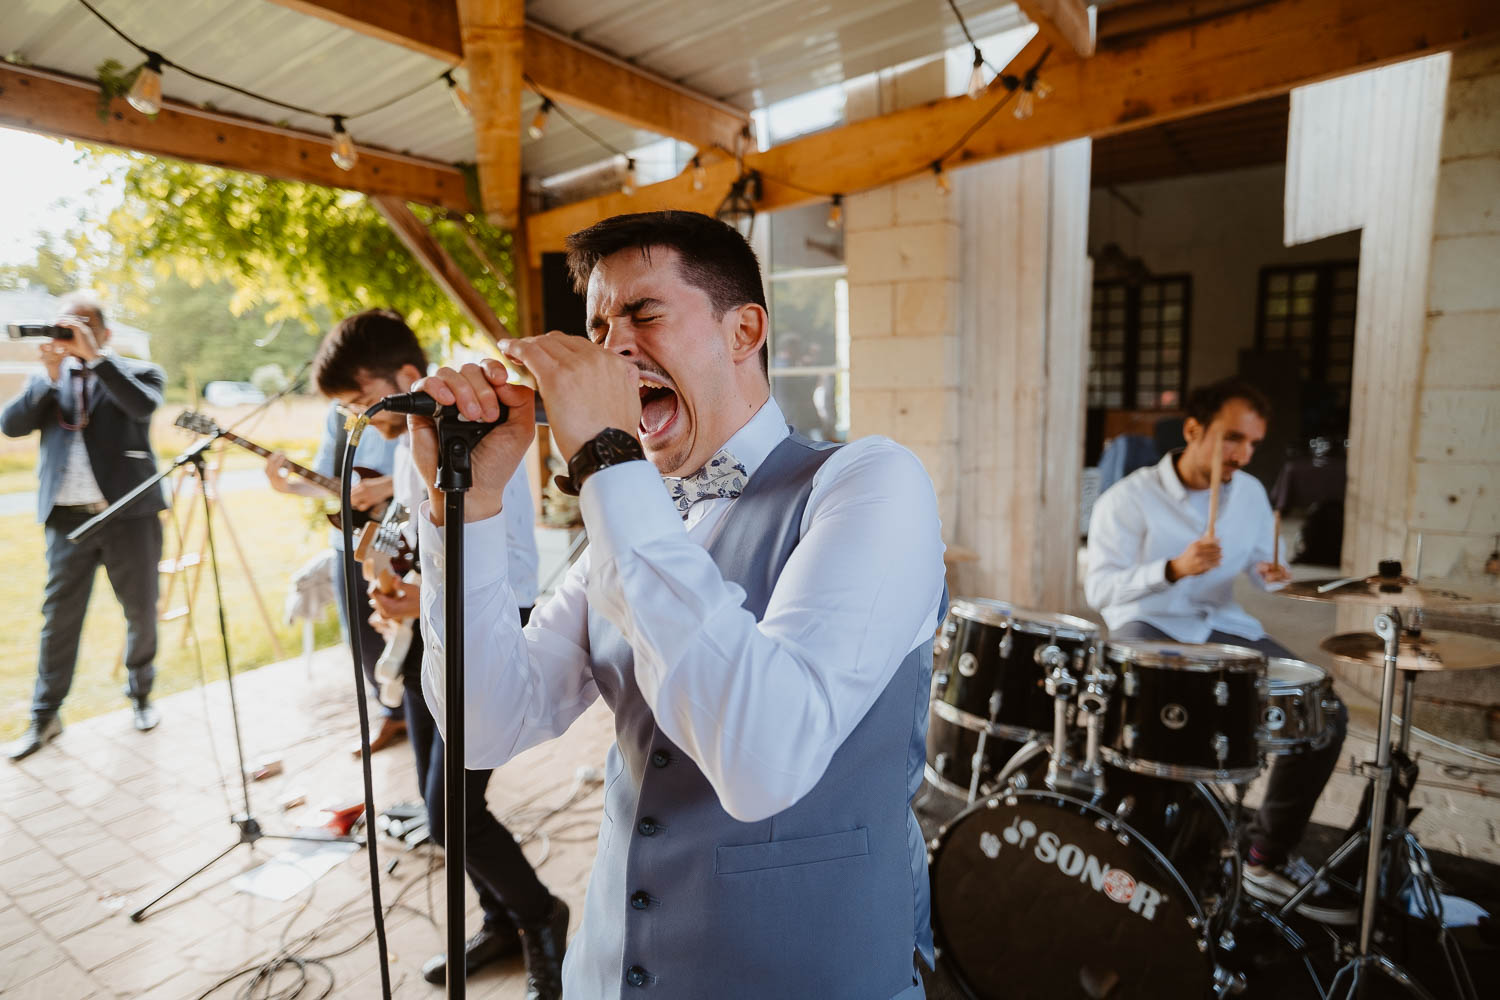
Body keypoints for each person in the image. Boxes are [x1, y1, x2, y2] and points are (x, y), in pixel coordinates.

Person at [411, 211, 947, 998]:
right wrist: (468, 509)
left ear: (744, 331)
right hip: (611, 973)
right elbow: (484, 725)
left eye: (643, 313)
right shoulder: (626, 525)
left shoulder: (869, 482)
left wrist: (607, 460)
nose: (612, 347)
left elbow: (766, 758)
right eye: (598, 326)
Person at [309, 310, 562, 992]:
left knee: (453, 811)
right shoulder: (399, 442)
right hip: (430, 630)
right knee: (438, 807)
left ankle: (544, 920)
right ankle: (500, 920)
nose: (360, 413)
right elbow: (410, 538)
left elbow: (494, 557)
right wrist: (394, 583)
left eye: (362, 398)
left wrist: (418, 591)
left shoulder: (468, 430)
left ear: (405, 378)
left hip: (489, 622)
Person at [1085, 377, 1355, 925]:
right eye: (1233, 438)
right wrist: (1171, 569)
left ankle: (1266, 854)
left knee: (1323, 713)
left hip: (1218, 622)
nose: (1245, 454)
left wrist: (1273, 574)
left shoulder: (1251, 493)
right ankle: (1144, 856)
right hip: (1148, 624)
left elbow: (1260, 560)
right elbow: (1100, 589)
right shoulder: (1128, 498)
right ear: (1193, 430)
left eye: (1253, 443)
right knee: (1166, 727)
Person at [2, 293, 166, 761]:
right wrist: (49, 377)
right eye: (62, 326)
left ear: (104, 332)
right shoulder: (48, 381)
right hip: (66, 521)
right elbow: (10, 426)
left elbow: (142, 407)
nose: (68, 333)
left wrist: (96, 358)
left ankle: (141, 696)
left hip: (128, 516)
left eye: (80, 325)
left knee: (140, 610)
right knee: (58, 620)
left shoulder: (137, 371)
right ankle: (45, 716)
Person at [264, 401, 407, 755]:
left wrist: (389, 485)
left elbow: (433, 467)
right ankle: (393, 709)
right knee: (360, 635)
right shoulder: (338, 414)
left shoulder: (406, 401)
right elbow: (330, 480)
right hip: (351, 540)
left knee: (408, 628)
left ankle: (425, 711)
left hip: (404, 539)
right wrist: (288, 488)